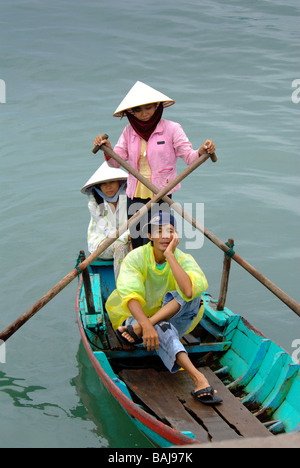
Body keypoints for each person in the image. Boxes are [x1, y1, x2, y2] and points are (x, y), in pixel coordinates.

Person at [105, 211, 223, 406]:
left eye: (170, 231)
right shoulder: (136, 258)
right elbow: (130, 295)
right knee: (162, 328)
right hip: (135, 317)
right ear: (149, 236)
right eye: (159, 231)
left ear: (176, 235)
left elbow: (188, 290)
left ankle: (148, 326)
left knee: (192, 295)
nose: (165, 236)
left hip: (150, 326)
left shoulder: (182, 258)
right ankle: (198, 378)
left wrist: (170, 256)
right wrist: (146, 323)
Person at [94, 81, 216, 249]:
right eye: (138, 110)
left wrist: (202, 151)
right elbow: (116, 162)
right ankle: (140, 272)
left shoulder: (172, 129)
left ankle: (156, 272)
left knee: (157, 240)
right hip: (135, 194)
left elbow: (189, 157)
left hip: (161, 194)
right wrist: (107, 149)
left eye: (149, 108)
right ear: (131, 112)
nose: (144, 114)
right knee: (137, 240)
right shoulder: (129, 132)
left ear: (157, 106)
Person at [81, 161, 131, 279]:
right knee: (121, 246)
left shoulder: (128, 195)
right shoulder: (94, 203)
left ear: (119, 182)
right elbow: (108, 231)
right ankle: (123, 287)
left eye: (112, 182)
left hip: (127, 238)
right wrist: (129, 237)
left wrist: (133, 238)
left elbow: (134, 219)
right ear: (99, 186)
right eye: (104, 184)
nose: (108, 187)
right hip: (102, 244)